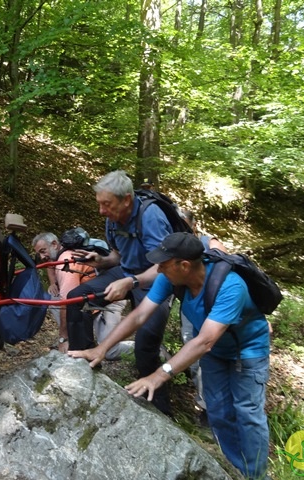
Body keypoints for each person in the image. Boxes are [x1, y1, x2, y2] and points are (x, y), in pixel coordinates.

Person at [69, 232, 271, 480]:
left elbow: (204, 341)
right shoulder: (172, 277)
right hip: (216, 353)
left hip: (247, 351)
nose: (159, 269)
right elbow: (140, 315)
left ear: (184, 265)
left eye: (163, 264)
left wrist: (158, 375)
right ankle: (234, 469)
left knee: (247, 413)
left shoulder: (230, 286)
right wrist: (101, 348)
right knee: (218, 412)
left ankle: (255, 475)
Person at [65, 170, 174, 415]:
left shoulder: (151, 217)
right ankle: (86, 366)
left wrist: (132, 282)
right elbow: (118, 255)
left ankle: (160, 411)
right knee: (76, 299)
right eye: (99, 204)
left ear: (126, 199)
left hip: (155, 279)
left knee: (145, 345)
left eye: (106, 204)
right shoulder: (112, 219)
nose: (101, 211)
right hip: (127, 272)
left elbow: (166, 266)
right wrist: (102, 261)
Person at [32, 231, 132, 360]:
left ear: (55, 244)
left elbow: (68, 301)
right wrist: (52, 283)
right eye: (39, 253)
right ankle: (81, 338)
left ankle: (143, 346)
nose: (41, 256)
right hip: (90, 302)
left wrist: (63, 337)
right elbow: (50, 266)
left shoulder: (65, 260)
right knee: (54, 298)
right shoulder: (60, 253)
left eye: (43, 251)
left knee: (110, 352)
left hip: (110, 300)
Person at [179, 210, 228, 423]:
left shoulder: (210, 243)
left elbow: (229, 267)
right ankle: (205, 400)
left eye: (184, 224)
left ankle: (210, 409)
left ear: (194, 224)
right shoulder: (175, 245)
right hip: (190, 307)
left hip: (214, 308)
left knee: (206, 352)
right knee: (191, 348)